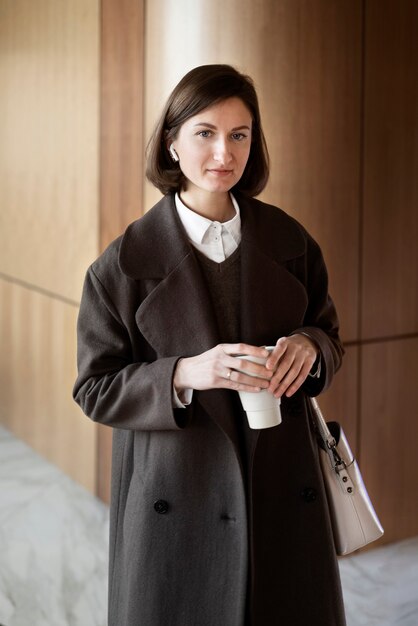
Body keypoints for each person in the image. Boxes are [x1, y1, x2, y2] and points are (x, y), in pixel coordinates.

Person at [73, 64, 346, 626]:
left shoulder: (291, 243)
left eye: (239, 135)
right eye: (205, 133)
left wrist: (310, 346)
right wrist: (184, 374)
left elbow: (330, 336)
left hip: (279, 476)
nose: (224, 152)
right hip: (178, 491)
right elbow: (94, 389)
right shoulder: (121, 265)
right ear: (172, 143)